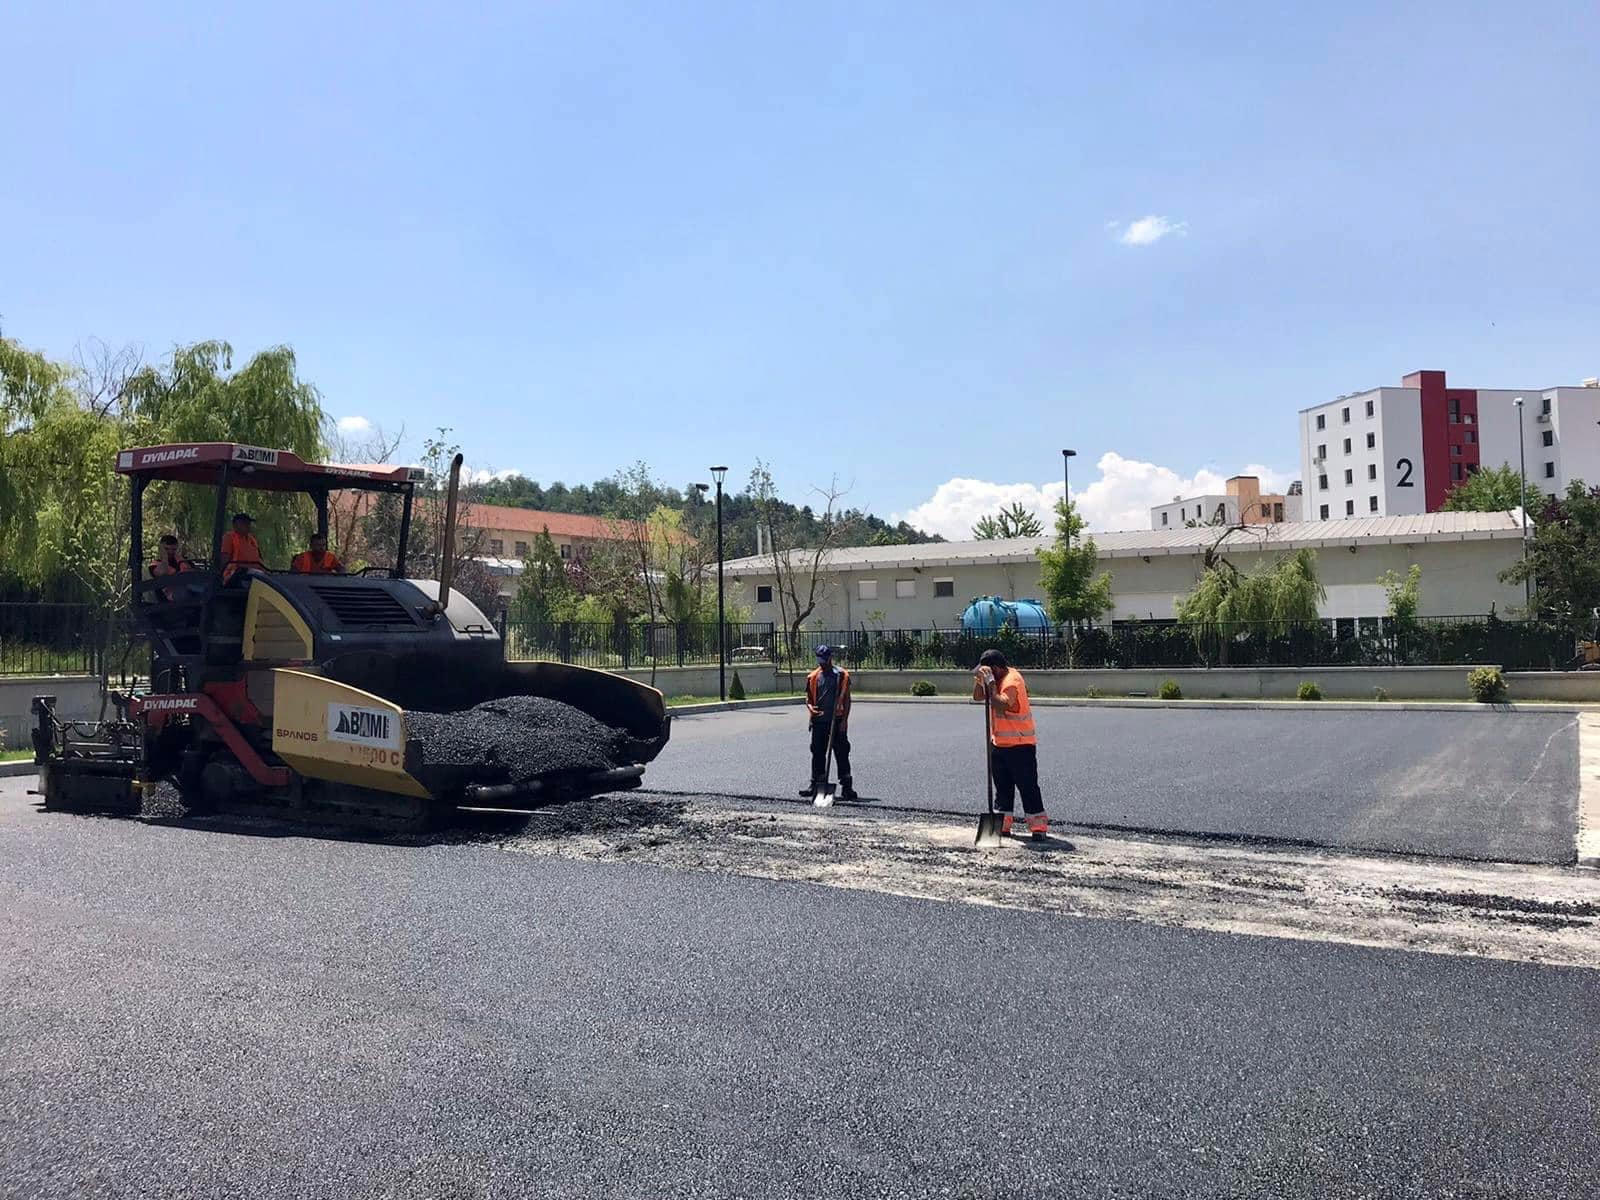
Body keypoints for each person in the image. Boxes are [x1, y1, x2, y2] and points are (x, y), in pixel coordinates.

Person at [972, 648, 1048, 839]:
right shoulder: (996, 679)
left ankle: (1038, 827)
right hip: (999, 742)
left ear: (996, 669)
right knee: (1002, 786)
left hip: (1020, 744)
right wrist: (981, 681)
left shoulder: (1012, 681)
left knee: (1027, 786)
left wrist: (991, 683)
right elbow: (978, 697)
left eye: (987, 670)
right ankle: (1001, 825)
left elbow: (1001, 704)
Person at [800, 644, 857, 800]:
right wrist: (810, 708)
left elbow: (847, 699)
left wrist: (844, 720)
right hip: (819, 721)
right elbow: (808, 699)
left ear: (830, 658)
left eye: (824, 660)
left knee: (842, 753)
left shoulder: (842, 675)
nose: (822, 663)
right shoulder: (813, 677)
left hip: (837, 721)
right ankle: (816, 784)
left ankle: (847, 786)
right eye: (820, 660)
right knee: (817, 753)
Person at [148, 534, 194, 601]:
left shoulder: (182, 560)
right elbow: (161, 572)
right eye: (166, 549)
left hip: (190, 586)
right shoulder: (155, 565)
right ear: (161, 549)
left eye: (173, 549)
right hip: (172, 595)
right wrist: (164, 556)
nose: (170, 552)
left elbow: (193, 572)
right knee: (186, 591)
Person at [220, 512, 264, 582]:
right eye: (244, 523)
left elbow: (259, 560)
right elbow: (224, 561)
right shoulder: (229, 537)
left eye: (248, 523)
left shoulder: (252, 539)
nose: (248, 525)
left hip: (254, 575)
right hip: (236, 577)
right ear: (235, 525)